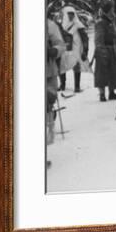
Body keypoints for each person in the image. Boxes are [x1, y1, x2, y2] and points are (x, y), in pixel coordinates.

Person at [46, 16, 66, 168]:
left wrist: (54, 51)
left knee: (47, 106)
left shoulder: (49, 25)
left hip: (47, 73)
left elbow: (60, 45)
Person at [93, 1, 116, 104]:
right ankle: (102, 94)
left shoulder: (111, 22)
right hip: (103, 50)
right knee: (101, 73)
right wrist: (102, 51)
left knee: (113, 72)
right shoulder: (100, 22)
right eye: (112, 10)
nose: (114, 12)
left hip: (112, 49)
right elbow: (99, 39)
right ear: (107, 11)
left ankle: (112, 92)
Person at [59, 6, 89, 93]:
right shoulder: (62, 26)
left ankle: (77, 86)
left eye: (72, 14)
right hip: (65, 49)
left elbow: (85, 38)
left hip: (76, 48)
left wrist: (85, 50)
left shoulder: (78, 25)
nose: (71, 16)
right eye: (69, 14)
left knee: (76, 66)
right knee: (62, 66)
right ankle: (62, 85)